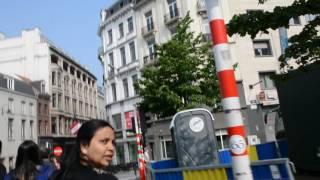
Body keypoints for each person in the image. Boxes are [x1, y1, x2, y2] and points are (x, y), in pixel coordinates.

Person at [50, 120, 117, 180]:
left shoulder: (58, 175)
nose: (112, 148)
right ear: (84, 146)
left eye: (113, 143)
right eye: (104, 141)